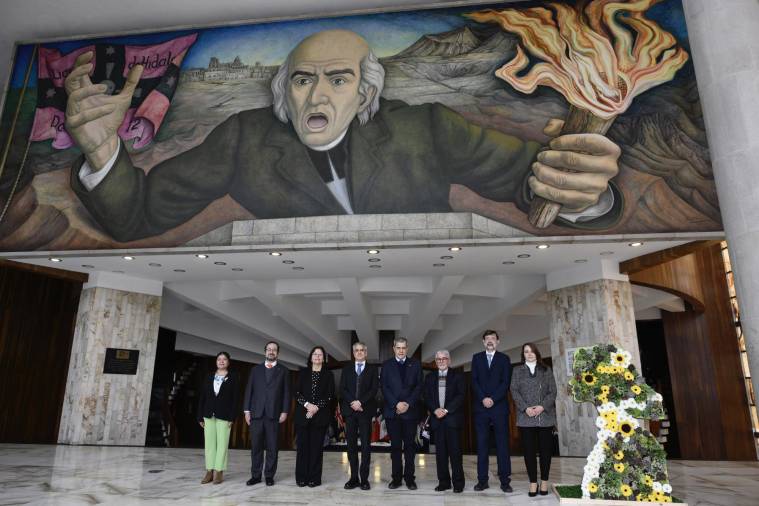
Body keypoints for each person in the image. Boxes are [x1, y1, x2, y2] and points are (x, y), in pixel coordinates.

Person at [64, 29, 622, 243]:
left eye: (338, 80)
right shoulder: (243, 138)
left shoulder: (424, 127)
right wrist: (101, 149)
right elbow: (134, 217)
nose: (318, 96)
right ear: (285, 92)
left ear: (365, 95)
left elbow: (536, 178)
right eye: (303, 81)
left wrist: (581, 188)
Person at [510, 342, 557, 497]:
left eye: (531, 351)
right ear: (523, 355)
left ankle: (544, 481)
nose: (529, 354)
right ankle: (532, 482)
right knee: (529, 452)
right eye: (526, 352)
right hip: (526, 417)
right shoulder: (517, 370)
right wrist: (526, 408)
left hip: (545, 416)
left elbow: (553, 391)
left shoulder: (546, 370)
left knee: (545, 452)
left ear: (537, 353)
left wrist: (542, 407)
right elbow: (514, 390)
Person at [471, 329, 513, 493]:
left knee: (502, 446)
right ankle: (482, 481)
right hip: (481, 408)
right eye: (487, 339)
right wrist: (483, 398)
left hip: (499, 408)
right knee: (482, 446)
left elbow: (505, 382)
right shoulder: (476, 358)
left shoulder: (504, 359)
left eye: (493, 338)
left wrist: (493, 399)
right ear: (483, 342)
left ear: (498, 341)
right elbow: (474, 381)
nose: (490, 341)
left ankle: (505, 481)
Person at [243, 341, 289, 486]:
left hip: (274, 414)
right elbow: (249, 390)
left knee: (272, 447)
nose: (271, 352)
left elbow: (286, 393)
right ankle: (255, 476)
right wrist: (246, 410)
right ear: (265, 352)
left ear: (277, 353)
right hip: (256, 413)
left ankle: (269, 476)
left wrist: (285, 411)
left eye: (274, 350)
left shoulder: (284, 371)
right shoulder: (255, 370)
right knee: (256, 447)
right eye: (269, 349)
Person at [381, 336, 423, 490]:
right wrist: (396, 403)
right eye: (398, 347)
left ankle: (410, 479)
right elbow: (384, 387)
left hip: (410, 412)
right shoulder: (386, 365)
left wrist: (408, 403)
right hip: (393, 412)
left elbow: (419, 387)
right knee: (396, 447)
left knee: (410, 447)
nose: (401, 350)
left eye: (403, 347)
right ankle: (396, 479)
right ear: (394, 349)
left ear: (407, 348)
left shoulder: (416, 364)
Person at [424, 350, 465, 493]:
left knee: (455, 453)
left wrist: (446, 410)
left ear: (449, 360)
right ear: (435, 361)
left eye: (444, 358)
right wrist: (435, 409)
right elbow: (426, 396)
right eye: (438, 359)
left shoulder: (458, 376)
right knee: (440, 454)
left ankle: (458, 483)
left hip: (452, 420)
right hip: (437, 420)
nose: (441, 361)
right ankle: (444, 482)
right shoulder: (429, 378)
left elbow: (461, 396)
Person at [339, 341, 379, 491]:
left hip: (365, 411)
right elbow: (342, 389)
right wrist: (353, 402)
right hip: (350, 411)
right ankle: (353, 477)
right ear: (353, 353)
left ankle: (364, 479)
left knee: (366, 446)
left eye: (362, 350)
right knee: (351, 446)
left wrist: (360, 402)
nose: (359, 352)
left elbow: (374, 389)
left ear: (366, 353)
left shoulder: (372, 369)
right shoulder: (346, 369)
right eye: (357, 350)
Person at [294, 346, 335, 487]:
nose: (317, 356)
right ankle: (301, 477)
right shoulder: (303, 373)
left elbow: (330, 395)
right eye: (315, 354)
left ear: (323, 359)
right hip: (303, 415)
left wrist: (316, 407)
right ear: (311, 357)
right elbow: (297, 393)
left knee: (316, 449)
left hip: (320, 416)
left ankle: (314, 479)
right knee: (302, 449)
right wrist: (307, 405)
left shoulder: (328, 375)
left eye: (320, 355)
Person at [197, 351, 238, 485]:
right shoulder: (209, 376)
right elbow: (202, 397)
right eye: (219, 359)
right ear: (216, 362)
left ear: (228, 362)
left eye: (224, 359)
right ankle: (209, 471)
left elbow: (235, 399)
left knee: (222, 444)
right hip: (208, 414)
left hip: (224, 415)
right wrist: (200, 416)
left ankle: (219, 471)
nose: (221, 361)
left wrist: (232, 417)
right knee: (209, 444)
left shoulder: (233, 377)